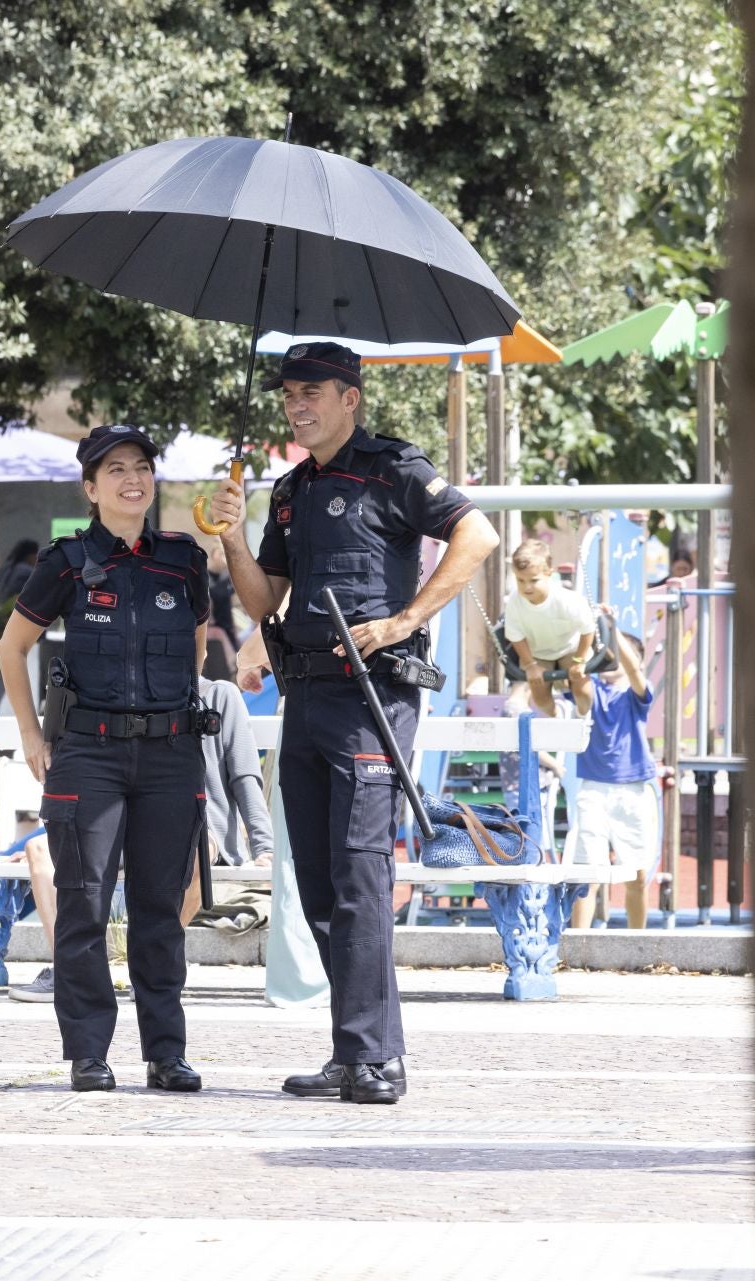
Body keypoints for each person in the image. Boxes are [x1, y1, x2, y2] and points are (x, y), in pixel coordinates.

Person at [211, 342, 499, 1105]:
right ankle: (362, 1053)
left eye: (311, 392)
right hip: (303, 696)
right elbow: (263, 598)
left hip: (373, 696)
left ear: (350, 398)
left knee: (360, 877)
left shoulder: (393, 466)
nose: (296, 405)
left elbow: (479, 536)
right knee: (318, 886)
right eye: (288, 394)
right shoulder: (288, 490)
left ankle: (371, 1058)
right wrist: (230, 536)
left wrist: (406, 619)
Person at [0, 423, 211, 1094]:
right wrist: (33, 735)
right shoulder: (65, 562)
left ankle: (166, 1051)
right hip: (88, 754)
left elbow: (197, 649)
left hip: (170, 752)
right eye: (115, 469)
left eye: (142, 466)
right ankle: (88, 1050)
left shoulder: (184, 559)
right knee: (85, 902)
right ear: (91, 488)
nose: (132, 478)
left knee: (160, 905)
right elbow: (12, 646)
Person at [8, 675, 273, 1003]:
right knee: (38, 850)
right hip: (120, 824)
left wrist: (264, 846)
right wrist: (56, 841)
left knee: (192, 848)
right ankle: (72, 971)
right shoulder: (123, 697)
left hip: (200, 828)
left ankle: (154, 967)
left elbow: (245, 775)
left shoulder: (220, 694)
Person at [565, 607, 657, 930]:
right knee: (587, 872)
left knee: (637, 873)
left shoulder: (636, 696)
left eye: (615, 654)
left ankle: (637, 943)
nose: (611, 660)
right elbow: (580, 689)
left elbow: (633, 670)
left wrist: (611, 629)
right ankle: (578, 945)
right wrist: (589, 634)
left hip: (633, 789)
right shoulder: (594, 689)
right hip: (593, 789)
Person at [503, 538, 595, 716]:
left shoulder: (566, 599)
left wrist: (579, 661)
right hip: (538, 654)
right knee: (540, 699)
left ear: (549, 574)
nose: (527, 587)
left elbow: (587, 629)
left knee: (583, 692)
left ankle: (582, 715)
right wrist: (530, 665)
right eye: (520, 580)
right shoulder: (515, 601)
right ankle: (557, 717)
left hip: (571, 650)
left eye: (534, 580)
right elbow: (516, 637)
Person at [0, 538, 40, 605]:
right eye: (36, 555)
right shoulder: (26, 572)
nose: (37, 558)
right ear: (31, 556)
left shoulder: (5, 570)